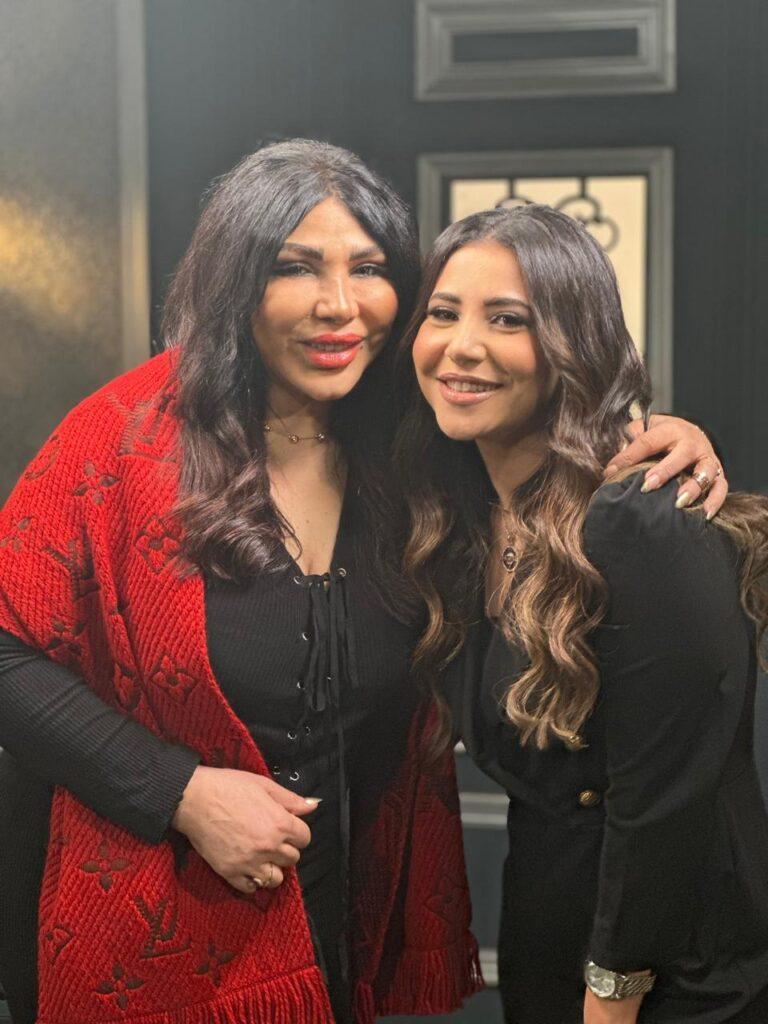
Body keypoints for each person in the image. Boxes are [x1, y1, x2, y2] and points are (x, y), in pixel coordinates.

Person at [0, 141, 724, 1024]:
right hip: (159, 933)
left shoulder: (414, 446)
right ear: (235, 281)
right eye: (296, 267)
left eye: (370, 268)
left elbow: (548, 435)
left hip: (338, 929)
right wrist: (180, 792)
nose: (338, 304)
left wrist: (659, 436)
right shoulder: (125, 438)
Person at [396, 203, 768, 1023]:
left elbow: (664, 807)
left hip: (678, 973)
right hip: (546, 937)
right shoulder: (456, 518)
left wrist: (612, 997)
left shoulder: (643, 520)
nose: (462, 346)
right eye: (443, 313)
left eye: (508, 319)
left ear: (573, 344)